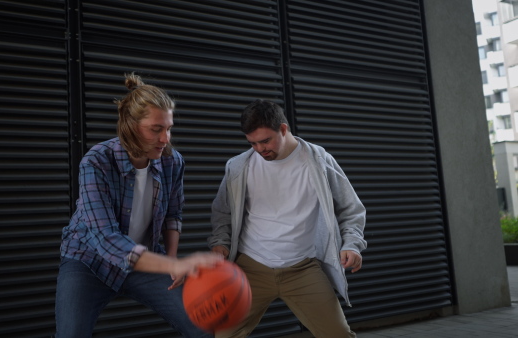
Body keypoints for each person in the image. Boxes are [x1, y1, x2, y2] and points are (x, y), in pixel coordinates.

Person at [55, 73, 222, 338]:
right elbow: (106, 239)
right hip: (88, 261)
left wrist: (171, 260)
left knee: (202, 326)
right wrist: (173, 267)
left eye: (168, 128)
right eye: (156, 129)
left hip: (146, 261)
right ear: (131, 125)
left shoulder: (172, 161)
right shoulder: (96, 162)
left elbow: (172, 215)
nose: (165, 138)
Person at [208, 99, 366, 338]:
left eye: (265, 141)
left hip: (303, 268)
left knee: (339, 335)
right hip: (251, 268)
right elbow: (222, 212)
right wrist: (221, 243)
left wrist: (352, 245)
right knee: (222, 335)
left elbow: (350, 208)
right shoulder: (239, 166)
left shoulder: (319, 161)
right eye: (252, 143)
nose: (260, 149)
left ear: (284, 129)